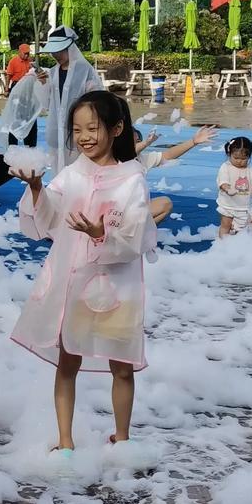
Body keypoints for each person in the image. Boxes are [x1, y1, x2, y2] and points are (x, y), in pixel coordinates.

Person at [11, 91, 154, 454]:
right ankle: (65, 442)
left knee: (122, 366)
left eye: (93, 128)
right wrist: (36, 188)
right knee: (67, 361)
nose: (85, 137)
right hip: (73, 283)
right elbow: (49, 218)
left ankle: (122, 440)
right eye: (77, 130)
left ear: (116, 128)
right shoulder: (73, 173)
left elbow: (137, 236)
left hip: (116, 289)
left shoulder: (131, 179)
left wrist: (101, 233)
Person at [34, 26, 103, 170]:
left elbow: (97, 98)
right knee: (58, 169)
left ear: (70, 48)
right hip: (56, 130)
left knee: (80, 168)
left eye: (60, 51)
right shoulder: (53, 72)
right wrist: (43, 84)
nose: (56, 55)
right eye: (53, 51)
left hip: (79, 129)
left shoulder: (84, 70)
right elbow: (47, 103)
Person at [134, 124, 218, 224]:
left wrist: (193, 142)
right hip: (118, 211)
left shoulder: (141, 159)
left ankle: (142, 230)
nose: (136, 144)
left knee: (165, 203)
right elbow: (128, 153)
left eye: (138, 141)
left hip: (134, 210)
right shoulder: (118, 160)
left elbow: (167, 155)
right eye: (130, 141)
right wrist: (145, 143)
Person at [215, 137, 252, 237]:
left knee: (244, 228)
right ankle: (223, 243)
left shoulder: (251, 169)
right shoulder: (225, 167)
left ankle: (239, 242)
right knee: (226, 225)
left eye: (243, 159)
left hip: (244, 206)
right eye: (236, 158)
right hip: (227, 205)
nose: (239, 161)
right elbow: (223, 182)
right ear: (229, 154)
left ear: (249, 156)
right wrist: (227, 189)